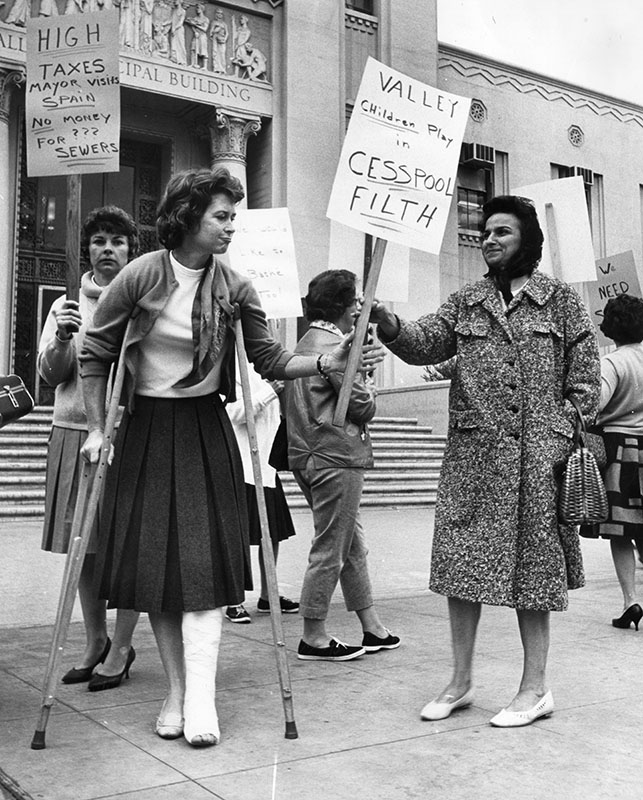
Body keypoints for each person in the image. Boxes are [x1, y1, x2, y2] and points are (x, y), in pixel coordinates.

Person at [78, 168, 384, 748]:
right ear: (189, 215)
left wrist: (327, 363)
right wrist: (97, 427)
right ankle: (176, 692)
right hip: (144, 429)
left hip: (202, 429)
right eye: (221, 216)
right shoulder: (142, 274)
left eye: (232, 217)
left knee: (201, 568)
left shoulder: (236, 286)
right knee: (159, 572)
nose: (229, 227)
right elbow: (96, 353)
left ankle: (200, 698)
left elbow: (269, 358)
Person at [370, 195, 600, 727]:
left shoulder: (560, 301)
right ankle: (460, 680)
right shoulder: (467, 300)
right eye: (486, 232)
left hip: (535, 465)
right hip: (473, 461)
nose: (490, 240)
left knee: (535, 575)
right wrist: (388, 321)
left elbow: (585, 383)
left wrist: (555, 436)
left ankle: (535, 688)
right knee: (459, 567)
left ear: (528, 241)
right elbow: (424, 343)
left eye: (503, 232)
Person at [38, 206, 140, 692]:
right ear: (88, 251)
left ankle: (121, 647)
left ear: (130, 250)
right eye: (98, 240)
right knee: (84, 548)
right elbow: (50, 374)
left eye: (117, 241)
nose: (107, 249)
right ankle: (95, 641)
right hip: (74, 433)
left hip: (128, 434)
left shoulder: (143, 304)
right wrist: (62, 337)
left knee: (128, 545)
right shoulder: (67, 306)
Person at [285, 269, 400, 663]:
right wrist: (368, 380)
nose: (358, 309)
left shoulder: (304, 344)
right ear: (344, 306)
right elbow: (362, 406)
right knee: (332, 547)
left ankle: (373, 627)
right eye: (355, 301)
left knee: (350, 544)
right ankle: (313, 634)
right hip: (336, 454)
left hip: (310, 453)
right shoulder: (336, 346)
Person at [579, 294, 643, 630]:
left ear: (610, 327)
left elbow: (593, 404)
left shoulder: (612, 363)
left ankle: (631, 600)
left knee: (621, 533)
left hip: (620, 451)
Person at [224, 354, 298, 624]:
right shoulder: (231, 366)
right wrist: (269, 391)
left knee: (272, 534)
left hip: (266, 465)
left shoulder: (262, 367)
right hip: (242, 464)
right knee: (239, 535)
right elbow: (235, 413)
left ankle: (269, 594)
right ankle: (234, 600)